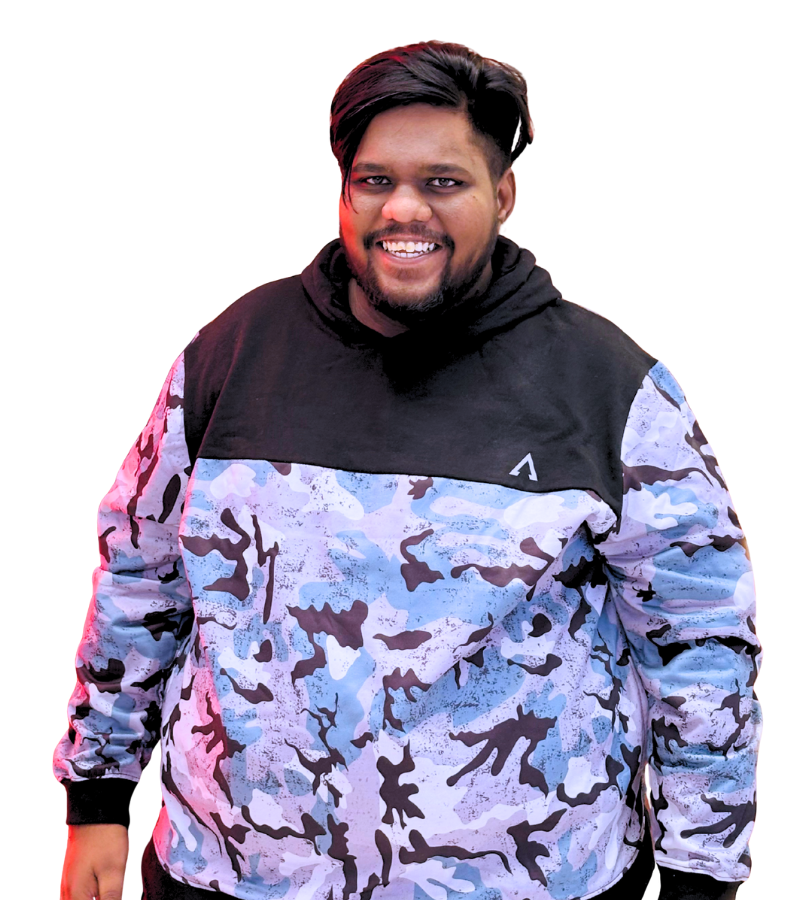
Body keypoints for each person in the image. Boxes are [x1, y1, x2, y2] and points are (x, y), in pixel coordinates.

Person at [55, 40, 761, 900]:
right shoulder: (233, 352)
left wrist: (701, 864)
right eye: (375, 180)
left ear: (505, 196)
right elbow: (139, 577)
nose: (403, 210)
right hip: (229, 872)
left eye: (443, 181)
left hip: (529, 886)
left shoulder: (606, 384)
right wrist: (100, 795)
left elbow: (698, 632)